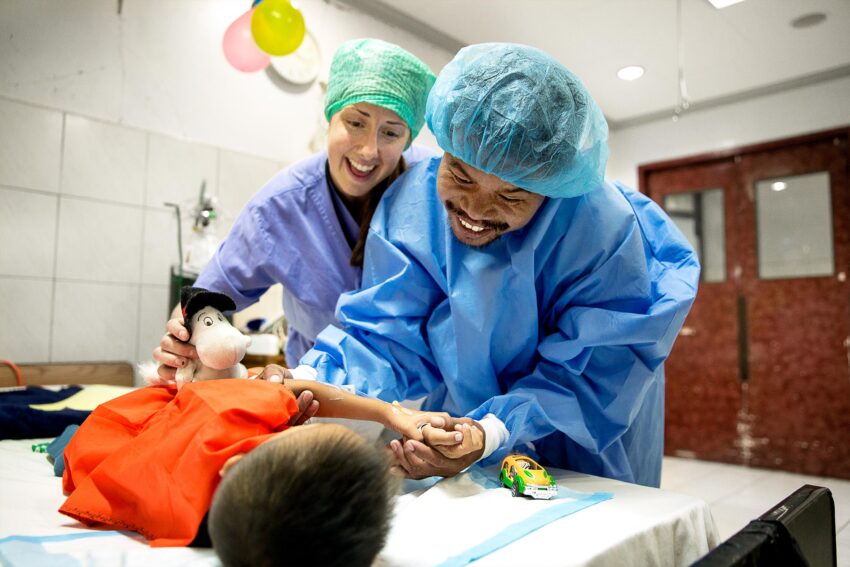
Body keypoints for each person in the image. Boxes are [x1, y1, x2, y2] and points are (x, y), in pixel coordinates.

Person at [281, 43, 700, 488]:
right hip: (464, 431)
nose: (475, 211)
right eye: (460, 176)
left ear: (550, 185)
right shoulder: (412, 208)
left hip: (583, 441)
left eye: (511, 195)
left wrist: (492, 431)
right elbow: (385, 334)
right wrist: (306, 380)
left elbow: (595, 370)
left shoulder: (601, 232)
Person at [153, 38, 437, 384]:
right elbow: (205, 299)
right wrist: (179, 342)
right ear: (330, 117)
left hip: (417, 395)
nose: (368, 150)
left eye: (390, 133)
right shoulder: (280, 207)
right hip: (314, 388)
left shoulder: (434, 190)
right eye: (356, 123)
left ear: (408, 139)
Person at [59, 374, 460, 566]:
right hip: (100, 457)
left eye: (297, 436)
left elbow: (284, 393)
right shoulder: (223, 523)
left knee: (78, 431)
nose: (311, 428)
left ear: (231, 463)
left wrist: (389, 413)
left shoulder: (227, 416)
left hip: (123, 424)